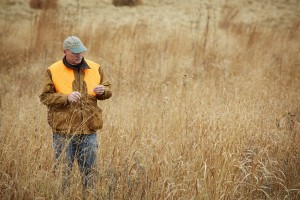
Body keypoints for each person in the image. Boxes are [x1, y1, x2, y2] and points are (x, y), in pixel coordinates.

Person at [39, 35, 112, 197]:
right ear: (65, 51)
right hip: (64, 131)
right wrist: (66, 98)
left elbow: (108, 89)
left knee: (90, 174)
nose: (79, 55)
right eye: (75, 52)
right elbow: (45, 97)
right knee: (62, 175)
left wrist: (103, 91)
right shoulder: (53, 70)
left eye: (81, 51)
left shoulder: (95, 67)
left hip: (89, 129)